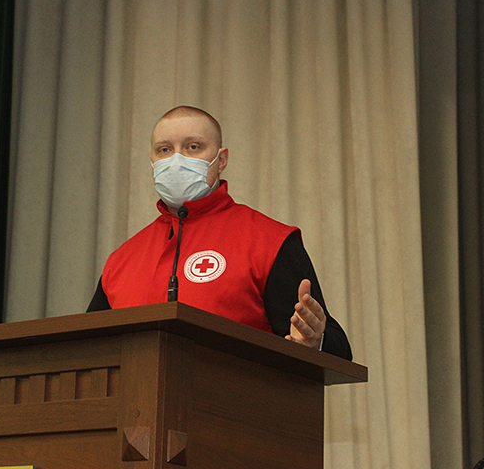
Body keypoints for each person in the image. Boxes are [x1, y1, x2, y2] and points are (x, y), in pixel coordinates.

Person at [86, 106, 352, 360]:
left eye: (193, 147)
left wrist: (314, 344)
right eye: (164, 150)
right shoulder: (120, 260)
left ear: (221, 160)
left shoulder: (269, 242)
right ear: (152, 161)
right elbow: (85, 352)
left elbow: (335, 346)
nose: (176, 159)